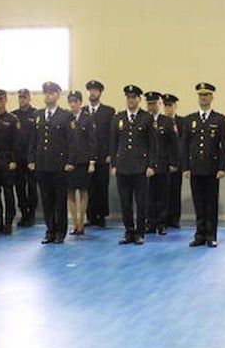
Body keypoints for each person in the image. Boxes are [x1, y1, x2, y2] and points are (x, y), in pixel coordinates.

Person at [180, 82, 225, 247]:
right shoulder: (189, 120)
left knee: (211, 203)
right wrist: (185, 167)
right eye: (201, 95)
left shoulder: (220, 120)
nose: (203, 98)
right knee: (198, 203)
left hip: (212, 168)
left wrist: (223, 167)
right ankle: (199, 235)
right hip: (195, 168)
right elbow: (184, 145)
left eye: (206, 95)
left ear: (212, 97)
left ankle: (211, 235)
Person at [28, 81, 73, 244]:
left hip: (59, 164)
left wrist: (70, 161)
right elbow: (33, 140)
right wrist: (31, 159)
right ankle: (50, 230)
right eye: (46, 92)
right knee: (46, 199)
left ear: (58, 95)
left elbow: (71, 141)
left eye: (51, 92)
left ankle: (60, 231)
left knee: (60, 199)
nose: (48, 95)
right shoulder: (38, 115)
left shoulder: (65, 116)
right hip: (42, 163)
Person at [110, 85, 156, 245]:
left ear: (139, 99)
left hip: (141, 167)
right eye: (128, 97)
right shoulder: (118, 118)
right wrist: (113, 165)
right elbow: (113, 143)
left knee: (141, 202)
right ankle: (129, 231)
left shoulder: (147, 118)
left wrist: (151, 165)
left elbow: (153, 144)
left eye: (134, 97)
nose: (131, 100)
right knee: (125, 202)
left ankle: (140, 232)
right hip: (123, 167)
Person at [145, 91, 178, 235]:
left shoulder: (166, 121)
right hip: (147, 165)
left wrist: (173, 162)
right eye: (149, 103)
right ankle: (150, 222)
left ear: (159, 104)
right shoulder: (143, 120)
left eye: (154, 103)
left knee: (163, 195)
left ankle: (162, 223)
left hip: (163, 164)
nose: (152, 106)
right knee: (148, 195)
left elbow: (173, 144)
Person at [84, 80, 116, 227]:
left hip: (103, 155)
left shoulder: (108, 111)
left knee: (101, 186)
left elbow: (112, 134)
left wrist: (111, 153)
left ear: (100, 93)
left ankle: (101, 216)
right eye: (90, 90)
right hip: (87, 156)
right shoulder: (83, 111)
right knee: (88, 186)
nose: (92, 93)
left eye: (95, 90)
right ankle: (90, 216)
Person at [0, 89, 18, 235]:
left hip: (7, 160)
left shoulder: (13, 119)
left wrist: (13, 160)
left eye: (1, 99)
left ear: (6, 100)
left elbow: (16, 142)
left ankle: (8, 222)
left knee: (8, 193)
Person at [65, 90, 94, 236]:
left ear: (80, 103)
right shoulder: (66, 118)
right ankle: (74, 223)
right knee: (70, 192)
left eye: (75, 101)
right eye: (70, 101)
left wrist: (92, 161)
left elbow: (92, 141)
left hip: (83, 161)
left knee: (83, 191)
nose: (73, 104)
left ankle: (82, 222)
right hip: (69, 161)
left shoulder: (88, 119)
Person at [13, 88, 40, 227]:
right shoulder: (13, 115)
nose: (22, 100)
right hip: (17, 157)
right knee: (19, 187)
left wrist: (34, 158)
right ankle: (23, 212)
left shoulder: (36, 114)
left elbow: (37, 138)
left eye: (24, 97)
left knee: (32, 186)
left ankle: (31, 213)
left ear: (30, 98)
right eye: (20, 97)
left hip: (31, 158)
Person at [163, 93, 183, 228]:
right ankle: (162, 218)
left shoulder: (182, 122)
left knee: (175, 191)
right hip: (163, 162)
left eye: (170, 105)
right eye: (165, 106)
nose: (168, 108)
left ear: (175, 106)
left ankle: (174, 218)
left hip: (177, 162)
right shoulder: (160, 122)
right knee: (162, 192)